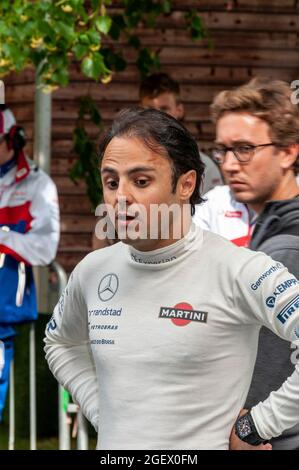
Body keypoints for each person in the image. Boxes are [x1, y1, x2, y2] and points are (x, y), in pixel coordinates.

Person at [45, 107, 299, 450]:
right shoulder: (93, 271)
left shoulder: (239, 269)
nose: (121, 198)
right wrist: (100, 408)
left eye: (141, 181)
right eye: (111, 181)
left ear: (186, 184)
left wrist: (258, 425)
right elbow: (60, 343)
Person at [194, 77, 299, 449]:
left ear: (288, 152)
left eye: (245, 149)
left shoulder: (285, 250)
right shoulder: (268, 228)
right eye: (223, 150)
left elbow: (260, 378)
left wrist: (249, 428)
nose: (229, 164)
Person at [92, 72, 223, 250]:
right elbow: (104, 229)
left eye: (142, 182)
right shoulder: (120, 160)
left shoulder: (206, 166)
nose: (122, 196)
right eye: (113, 184)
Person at [0, 106, 60, 421]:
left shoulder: (38, 186)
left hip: (4, 307)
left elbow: (45, 248)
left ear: (14, 139)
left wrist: (2, 238)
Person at [139, 73, 223, 194]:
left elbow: (216, 211)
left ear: (179, 110)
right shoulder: (126, 161)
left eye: (164, 109)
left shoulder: (204, 167)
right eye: (149, 109)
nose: (156, 116)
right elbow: (115, 208)